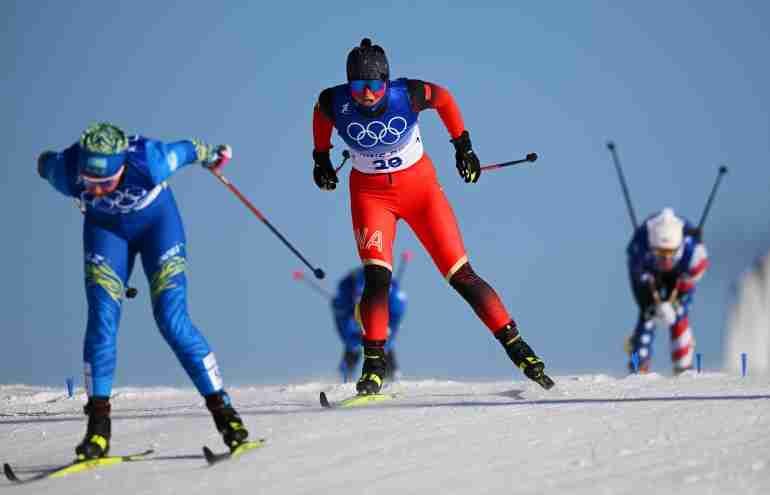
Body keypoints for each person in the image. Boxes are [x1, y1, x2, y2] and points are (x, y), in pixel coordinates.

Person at [311, 38, 553, 395]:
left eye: (375, 84)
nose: (366, 93)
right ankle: (374, 367)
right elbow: (319, 113)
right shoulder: (334, 101)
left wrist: (463, 147)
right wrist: (320, 158)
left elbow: (445, 99)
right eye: (358, 85)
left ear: (386, 81)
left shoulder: (406, 94)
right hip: (370, 195)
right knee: (376, 278)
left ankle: (520, 350)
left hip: (420, 190)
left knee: (462, 275)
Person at [37, 123, 251, 459]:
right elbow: (45, 163)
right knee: (102, 320)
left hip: (158, 227)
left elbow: (191, 146)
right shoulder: (66, 170)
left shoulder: (151, 159)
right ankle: (98, 430)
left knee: (171, 319)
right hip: (106, 233)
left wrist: (214, 156)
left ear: (122, 166)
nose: (97, 192)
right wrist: (45, 161)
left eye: (106, 183)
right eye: (89, 184)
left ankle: (227, 417)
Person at [625, 207, 709, 374]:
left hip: (680, 275)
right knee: (647, 314)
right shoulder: (638, 249)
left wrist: (677, 305)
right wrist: (652, 302)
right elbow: (638, 283)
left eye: (670, 253)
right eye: (660, 253)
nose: (666, 259)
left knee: (679, 317)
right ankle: (638, 365)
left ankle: (683, 366)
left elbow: (690, 283)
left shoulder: (693, 253)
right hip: (649, 273)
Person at [332, 267, 407, 382]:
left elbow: (396, 317)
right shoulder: (344, 292)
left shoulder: (393, 293)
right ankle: (344, 377)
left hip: (383, 319)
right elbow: (342, 321)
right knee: (353, 347)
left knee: (383, 345)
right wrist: (353, 340)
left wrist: (385, 336)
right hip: (355, 323)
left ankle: (392, 375)